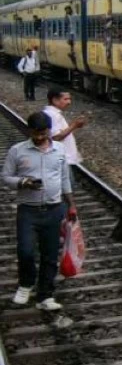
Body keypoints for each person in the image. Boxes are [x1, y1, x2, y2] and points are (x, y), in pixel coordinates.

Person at [3, 112, 75, 311]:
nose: (40, 137)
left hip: (54, 209)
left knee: (50, 254)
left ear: (49, 131)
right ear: (30, 131)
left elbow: (64, 179)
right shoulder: (17, 151)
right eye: (36, 133)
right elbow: (6, 177)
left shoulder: (59, 150)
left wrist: (71, 204)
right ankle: (25, 285)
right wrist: (22, 182)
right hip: (28, 210)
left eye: (43, 133)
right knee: (25, 251)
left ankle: (46, 295)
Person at [43, 88, 86, 168]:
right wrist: (74, 125)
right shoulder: (53, 115)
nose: (69, 102)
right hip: (62, 160)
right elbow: (56, 137)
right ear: (55, 100)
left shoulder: (52, 113)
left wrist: (75, 125)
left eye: (69, 99)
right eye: (66, 99)